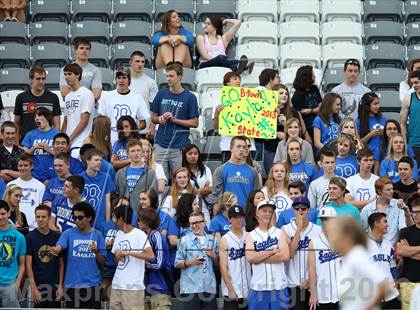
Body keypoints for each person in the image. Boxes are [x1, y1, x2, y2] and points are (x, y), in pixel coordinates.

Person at [50, 202, 106, 309]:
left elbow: (103, 261)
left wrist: (96, 252)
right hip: (71, 285)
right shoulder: (68, 233)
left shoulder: (98, 235)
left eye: (80, 218)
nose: (76, 221)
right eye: (74, 218)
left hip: (93, 285)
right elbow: (60, 245)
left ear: (89, 218)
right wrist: (56, 249)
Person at [329, 217, 392, 310]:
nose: (332, 238)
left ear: (347, 236)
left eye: (334, 233)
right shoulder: (350, 257)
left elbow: (384, 285)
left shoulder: (357, 255)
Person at [151, 62, 199, 179]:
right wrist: (160, 119)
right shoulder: (161, 93)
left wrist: (174, 120)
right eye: (167, 76)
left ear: (180, 77)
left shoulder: (190, 97)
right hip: (161, 144)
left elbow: (195, 123)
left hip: (179, 146)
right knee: (159, 181)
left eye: (171, 76)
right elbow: (153, 117)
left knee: (180, 180)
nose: (168, 79)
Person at [245, 200, 290, 310]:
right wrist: (271, 252)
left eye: (270, 211)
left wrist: (259, 257)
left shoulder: (280, 232)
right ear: (257, 213)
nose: (267, 213)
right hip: (259, 287)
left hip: (279, 286)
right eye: (264, 210)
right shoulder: (251, 235)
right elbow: (250, 257)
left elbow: (285, 256)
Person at [110, 204, 155, 310]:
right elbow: (117, 262)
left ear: (121, 219)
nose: (113, 220)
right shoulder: (119, 235)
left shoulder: (140, 234)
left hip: (133, 287)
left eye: (114, 217)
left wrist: (129, 253)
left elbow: (151, 256)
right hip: (117, 285)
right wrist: (117, 255)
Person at [282, 198, 321, 310]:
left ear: (308, 210)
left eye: (303, 208)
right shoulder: (286, 229)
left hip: (312, 283)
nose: (300, 211)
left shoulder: (317, 230)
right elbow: (289, 254)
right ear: (293, 210)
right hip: (293, 284)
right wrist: (298, 229)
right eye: (297, 208)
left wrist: (311, 280)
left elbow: (319, 259)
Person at [174, 211, 219, 309]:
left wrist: (214, 256)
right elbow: (176, 263)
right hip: (190, 288)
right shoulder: (184, 240)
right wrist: (191, 262)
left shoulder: (214, 240)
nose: (194, 226)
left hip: (209, 287)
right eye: (191, 223)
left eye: (197, 222)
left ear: (204, 223)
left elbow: (219, 265)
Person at [264, 84, 311, 173]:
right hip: (271, 150)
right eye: (281, 93)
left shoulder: (293, 112)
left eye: (286, 93)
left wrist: (286, 125)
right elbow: (261, 135)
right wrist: (276, 134)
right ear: (273, 95)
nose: (284, 95)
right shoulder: (266, 111)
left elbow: (300, 132)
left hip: (290, 150)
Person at [213, 72, 257, 163]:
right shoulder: (219, 100)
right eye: (235, 79)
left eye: (239, 79)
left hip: (248, 146)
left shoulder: (250, 99)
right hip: (228, 146)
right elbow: (216, 128)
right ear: (227, 83)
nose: (238, 81)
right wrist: (217, 114)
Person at [26, 204, 64, 308]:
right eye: (38, 217)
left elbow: (61, 264)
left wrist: (61, 286)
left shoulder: (57, 237)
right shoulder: (30, 237)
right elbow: (28, 265)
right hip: (39, 285)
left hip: (55, 286)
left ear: (49, 218)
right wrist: (33, 288)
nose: (40, 219)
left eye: (43, 217)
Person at [98, 67, 149, 145]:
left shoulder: (137, 97)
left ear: (129, 80)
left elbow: (143, 123)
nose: (121, 80)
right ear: (115, 79)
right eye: (119, 78)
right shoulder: (106, 96)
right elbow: (101, 120)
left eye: (124, 78)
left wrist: (131, 131)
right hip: (110, 140)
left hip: (130, 142)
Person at [209, 136, 260, 209]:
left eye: (244, 147)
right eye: (238, 146)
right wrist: (218, 219)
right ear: (231, 148)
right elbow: (216, 200)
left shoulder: (253, 172)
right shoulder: (220, 170)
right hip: (227, 215)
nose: (241, 149)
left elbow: (256, 197)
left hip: (247, 215)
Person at [361, 177, 411, 250]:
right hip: (373, 251)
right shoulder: (367, 209)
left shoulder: (398, 205)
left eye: (392, 189)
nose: (392, 191)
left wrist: (406, 210)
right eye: (388, 189)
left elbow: (404, 229)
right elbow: (362, 230)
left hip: (394, 250)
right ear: (379, 191)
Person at [14, 67, 61, 144]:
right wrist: (17, 145)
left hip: (47, 143)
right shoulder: (21, 97)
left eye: (43, 79)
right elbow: (16, 124)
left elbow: (57, 124)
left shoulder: (53, 97)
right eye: (38, 79)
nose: (41, 81)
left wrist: (55, 142)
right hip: (27, 143)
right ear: (31, 79)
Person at [138, 208, 173, 310]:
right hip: (148, 289)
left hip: (161, 288)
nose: (138, 222)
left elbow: (158, 264)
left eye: (139, 220)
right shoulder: (145, 237)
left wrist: (142, 264)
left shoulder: (158, 237)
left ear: (147, 221)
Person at [308, 206, 341, 310]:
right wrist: (313, 294)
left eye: (328, 219)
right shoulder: (314, 242)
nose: (325, 222)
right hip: (323, 295)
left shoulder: (344, 240)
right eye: (323, 219)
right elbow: (312, 270)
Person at [219, 205, 251, 310]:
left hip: (249, 289)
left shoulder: (250, 236)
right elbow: (223, 267)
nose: (238, 220)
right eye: (235, 217)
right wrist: (230, 289)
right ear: (229, 219)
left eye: (240, 216)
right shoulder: (225, 239)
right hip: (232, 291)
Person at [366, 212, 401, 309]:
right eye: (385, 221)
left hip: (390, 293)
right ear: (376, 223)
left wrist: (394, 280)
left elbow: (392, 265)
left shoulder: (388, 244)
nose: (388, 224)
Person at [114, 139, 158, 213]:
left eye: (138, 150)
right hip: (124, 214)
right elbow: (114, 195)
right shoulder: (120, 173)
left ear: (142, 152)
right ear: (127, 153)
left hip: (143, 215)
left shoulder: (150, 173)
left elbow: (154, 198)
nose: (136, 153)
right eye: (133, 151)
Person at [61, 63, 95, 157]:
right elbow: (66, 121)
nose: (67, 77)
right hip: (68, 144)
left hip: (80, 143)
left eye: (69, 74)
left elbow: (84, 120)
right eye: (65, 74)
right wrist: (62, 140)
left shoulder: (87, 94)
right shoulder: (68, 96)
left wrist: (70, 139)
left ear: (78, 75)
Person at [9, 153, 45, 230]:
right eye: (20, 165)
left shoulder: (40, 186)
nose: (22, 168)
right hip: (15, 227)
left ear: (31, 166)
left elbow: (41, 207)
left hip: (34, 227)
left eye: (25, 165)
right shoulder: (11, 184)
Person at [0, 200, 26, 308]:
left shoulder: (19, 237)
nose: (0, 217)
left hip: (10, 285)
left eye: (3, 214)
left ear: (9, 214)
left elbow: (22, 264)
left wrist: (17, 284)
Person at [59, 38, 102, 102]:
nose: (84, 50)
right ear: (75, 50)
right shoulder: (65, 70)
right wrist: (88, 93)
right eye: (81, 48)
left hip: (90, 109)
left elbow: (96, 95)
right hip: (72, 107)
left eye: (87, 49)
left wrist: (73, 91)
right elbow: (64, 93)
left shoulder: (95, 70)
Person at [22, 107, 59, 180]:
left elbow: (62, 155)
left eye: (39, 115)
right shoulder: (30, 134)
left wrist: (49, 149)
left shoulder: (57, 133)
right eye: (35, 116)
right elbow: (24, 154)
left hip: (53, 173)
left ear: (47, 117)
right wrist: (33, 148)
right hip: (35, 174)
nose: (36, 118)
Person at [80, 149, 115, 226]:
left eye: (100, 160)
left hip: (100, 221)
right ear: (87, 161)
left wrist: (107, 221)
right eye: (96, 160)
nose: (99, 162)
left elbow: (107, 201)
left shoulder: (106, 177)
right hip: (82, 221)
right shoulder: (79, 178)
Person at [396, 198, 420, 309]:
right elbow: (400, 251)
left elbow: (404, 251)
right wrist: (404, 250)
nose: (415, 215)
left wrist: (408, 250)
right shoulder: (405, 231)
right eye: (413, 212)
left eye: (418, 212)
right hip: (408, 281)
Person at [129, 51, 159, 140]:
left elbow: (155, 108)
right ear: (130, 62)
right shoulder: (123, 81)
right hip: (126, 128)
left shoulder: (151, 82)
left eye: (142, 62)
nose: (140, 64)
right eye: (137, 61)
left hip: (144, 130)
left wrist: (152, 128)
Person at [182, 144, 213, 224]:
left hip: (204, 207)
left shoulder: (206, 169)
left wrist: (195, 191)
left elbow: (210, 189)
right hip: (187, 207)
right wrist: (203, 190)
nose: (193, 156)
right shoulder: (182, 171)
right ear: (185, 155)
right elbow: (185, 189)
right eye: (190, 153)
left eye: (196, 154)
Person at [357, 92, 387, 171]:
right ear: (367, 105)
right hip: (367, 158)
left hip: (383, 156)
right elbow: (358, 143)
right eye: (375, 104)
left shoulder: (384, 119)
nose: (378, 106)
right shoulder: (359, 121)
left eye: (378, 103)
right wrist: (370, 134)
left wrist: (385, 133)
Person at [291, 65, 322, 139]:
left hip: (318, 125)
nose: (314, 76)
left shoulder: (314, 88)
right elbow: (299, 117)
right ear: (306, 77)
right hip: (307, 129)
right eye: (312, 74)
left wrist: (311, 111)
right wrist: (306, 135)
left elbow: (322, 106)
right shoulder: (298, 94)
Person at [401, 69, 420, 164]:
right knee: (414, 177)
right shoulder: (408, 98)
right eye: (412, 83)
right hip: (414, 144)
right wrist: (405, 144)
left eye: (416, 82)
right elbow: (402, 123)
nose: (414, 86)